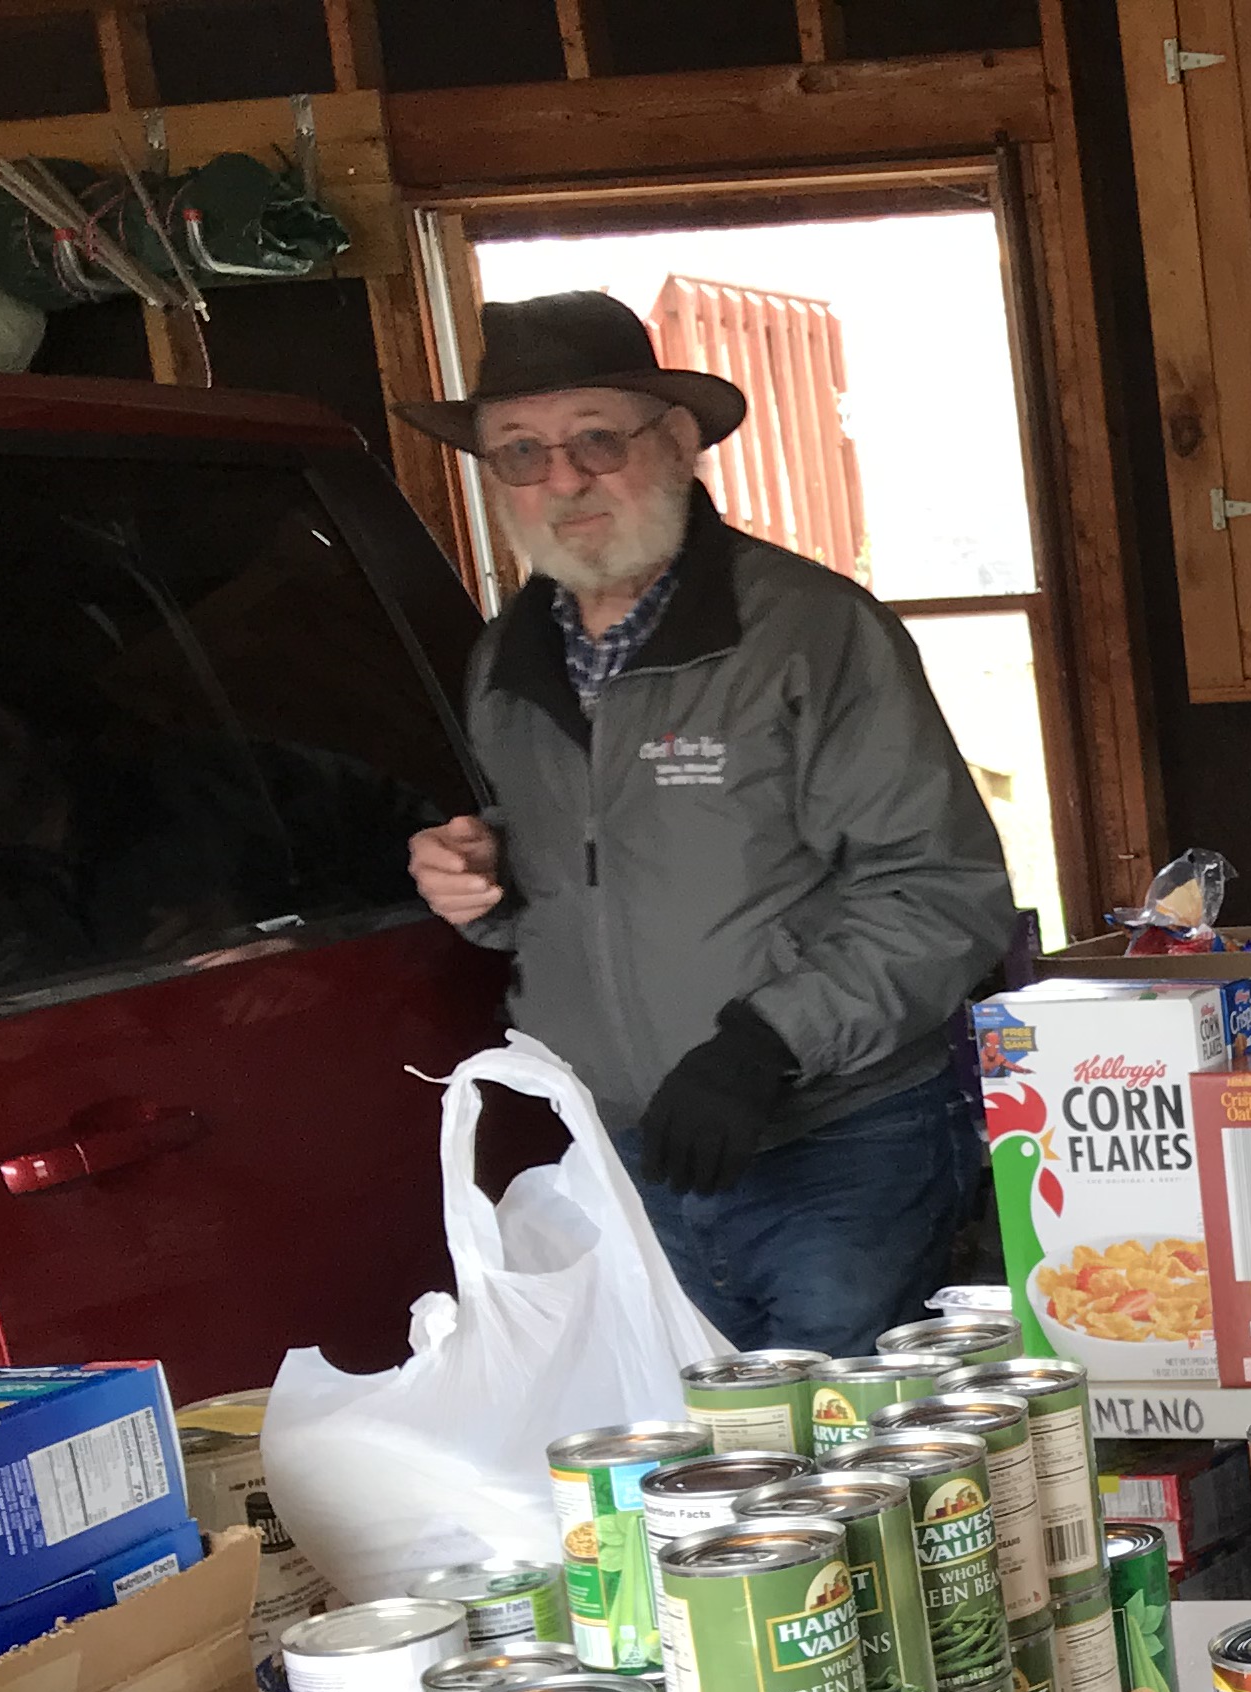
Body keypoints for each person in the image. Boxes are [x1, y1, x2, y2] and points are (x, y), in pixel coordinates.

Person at [398, 291, 1014, 1355]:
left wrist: (766, 1045)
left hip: (840, 1147)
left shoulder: (810, 631)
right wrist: (484, 876)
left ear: (678, 443)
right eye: (521, 452)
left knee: (839, 1439)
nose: (563, 480)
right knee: (695, 1443)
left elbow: (939, 888)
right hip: (629, 1159)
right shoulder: (506, 662)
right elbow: (590, 869)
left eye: (598, 439)